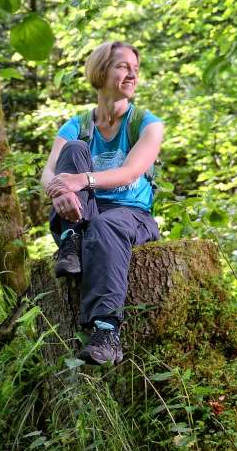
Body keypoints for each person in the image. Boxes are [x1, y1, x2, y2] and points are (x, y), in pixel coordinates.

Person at [40, 41, 164, 366]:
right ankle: (70, 241)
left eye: (135, 68)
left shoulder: (147, 124)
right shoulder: (78, 125)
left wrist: (82, 181)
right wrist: (61, 191)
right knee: (74, 151)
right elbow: (49, 172)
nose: (132, 73)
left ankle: (107, 331)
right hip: (83, 211)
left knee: (104, 225)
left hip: (131, 215)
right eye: (123, 66)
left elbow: (129, 173)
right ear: (101, 71)